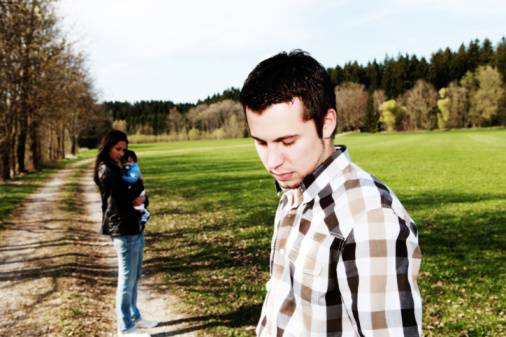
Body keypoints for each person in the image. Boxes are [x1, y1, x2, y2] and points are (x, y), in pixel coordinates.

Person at [239, 51, 422, 337]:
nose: (272, 161)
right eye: (261, 142)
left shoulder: (370, 219)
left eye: (287, 141)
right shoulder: (293, 192)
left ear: (327, 123)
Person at [93, 130, 158, 337]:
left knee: (135, 276)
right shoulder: (106, 169)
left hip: (135, 226)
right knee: (127, 278)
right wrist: (136, 188)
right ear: (108, 147)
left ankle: (134, 316)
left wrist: (138, 190)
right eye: (117, 149)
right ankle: (125, 329)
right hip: (122, 228)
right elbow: (125, 195)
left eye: (124, 149)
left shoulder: (121, 167)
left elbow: (140, 196)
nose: (122, 153)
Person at [122, 150, 150, 226]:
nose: (128, 164)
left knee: (138, 206)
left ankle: (144, 214)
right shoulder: (125, 170)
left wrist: (122, 177)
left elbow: (136, 180)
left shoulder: (134, 169)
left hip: (138, 193)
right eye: (126, 161)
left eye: (130, 161)